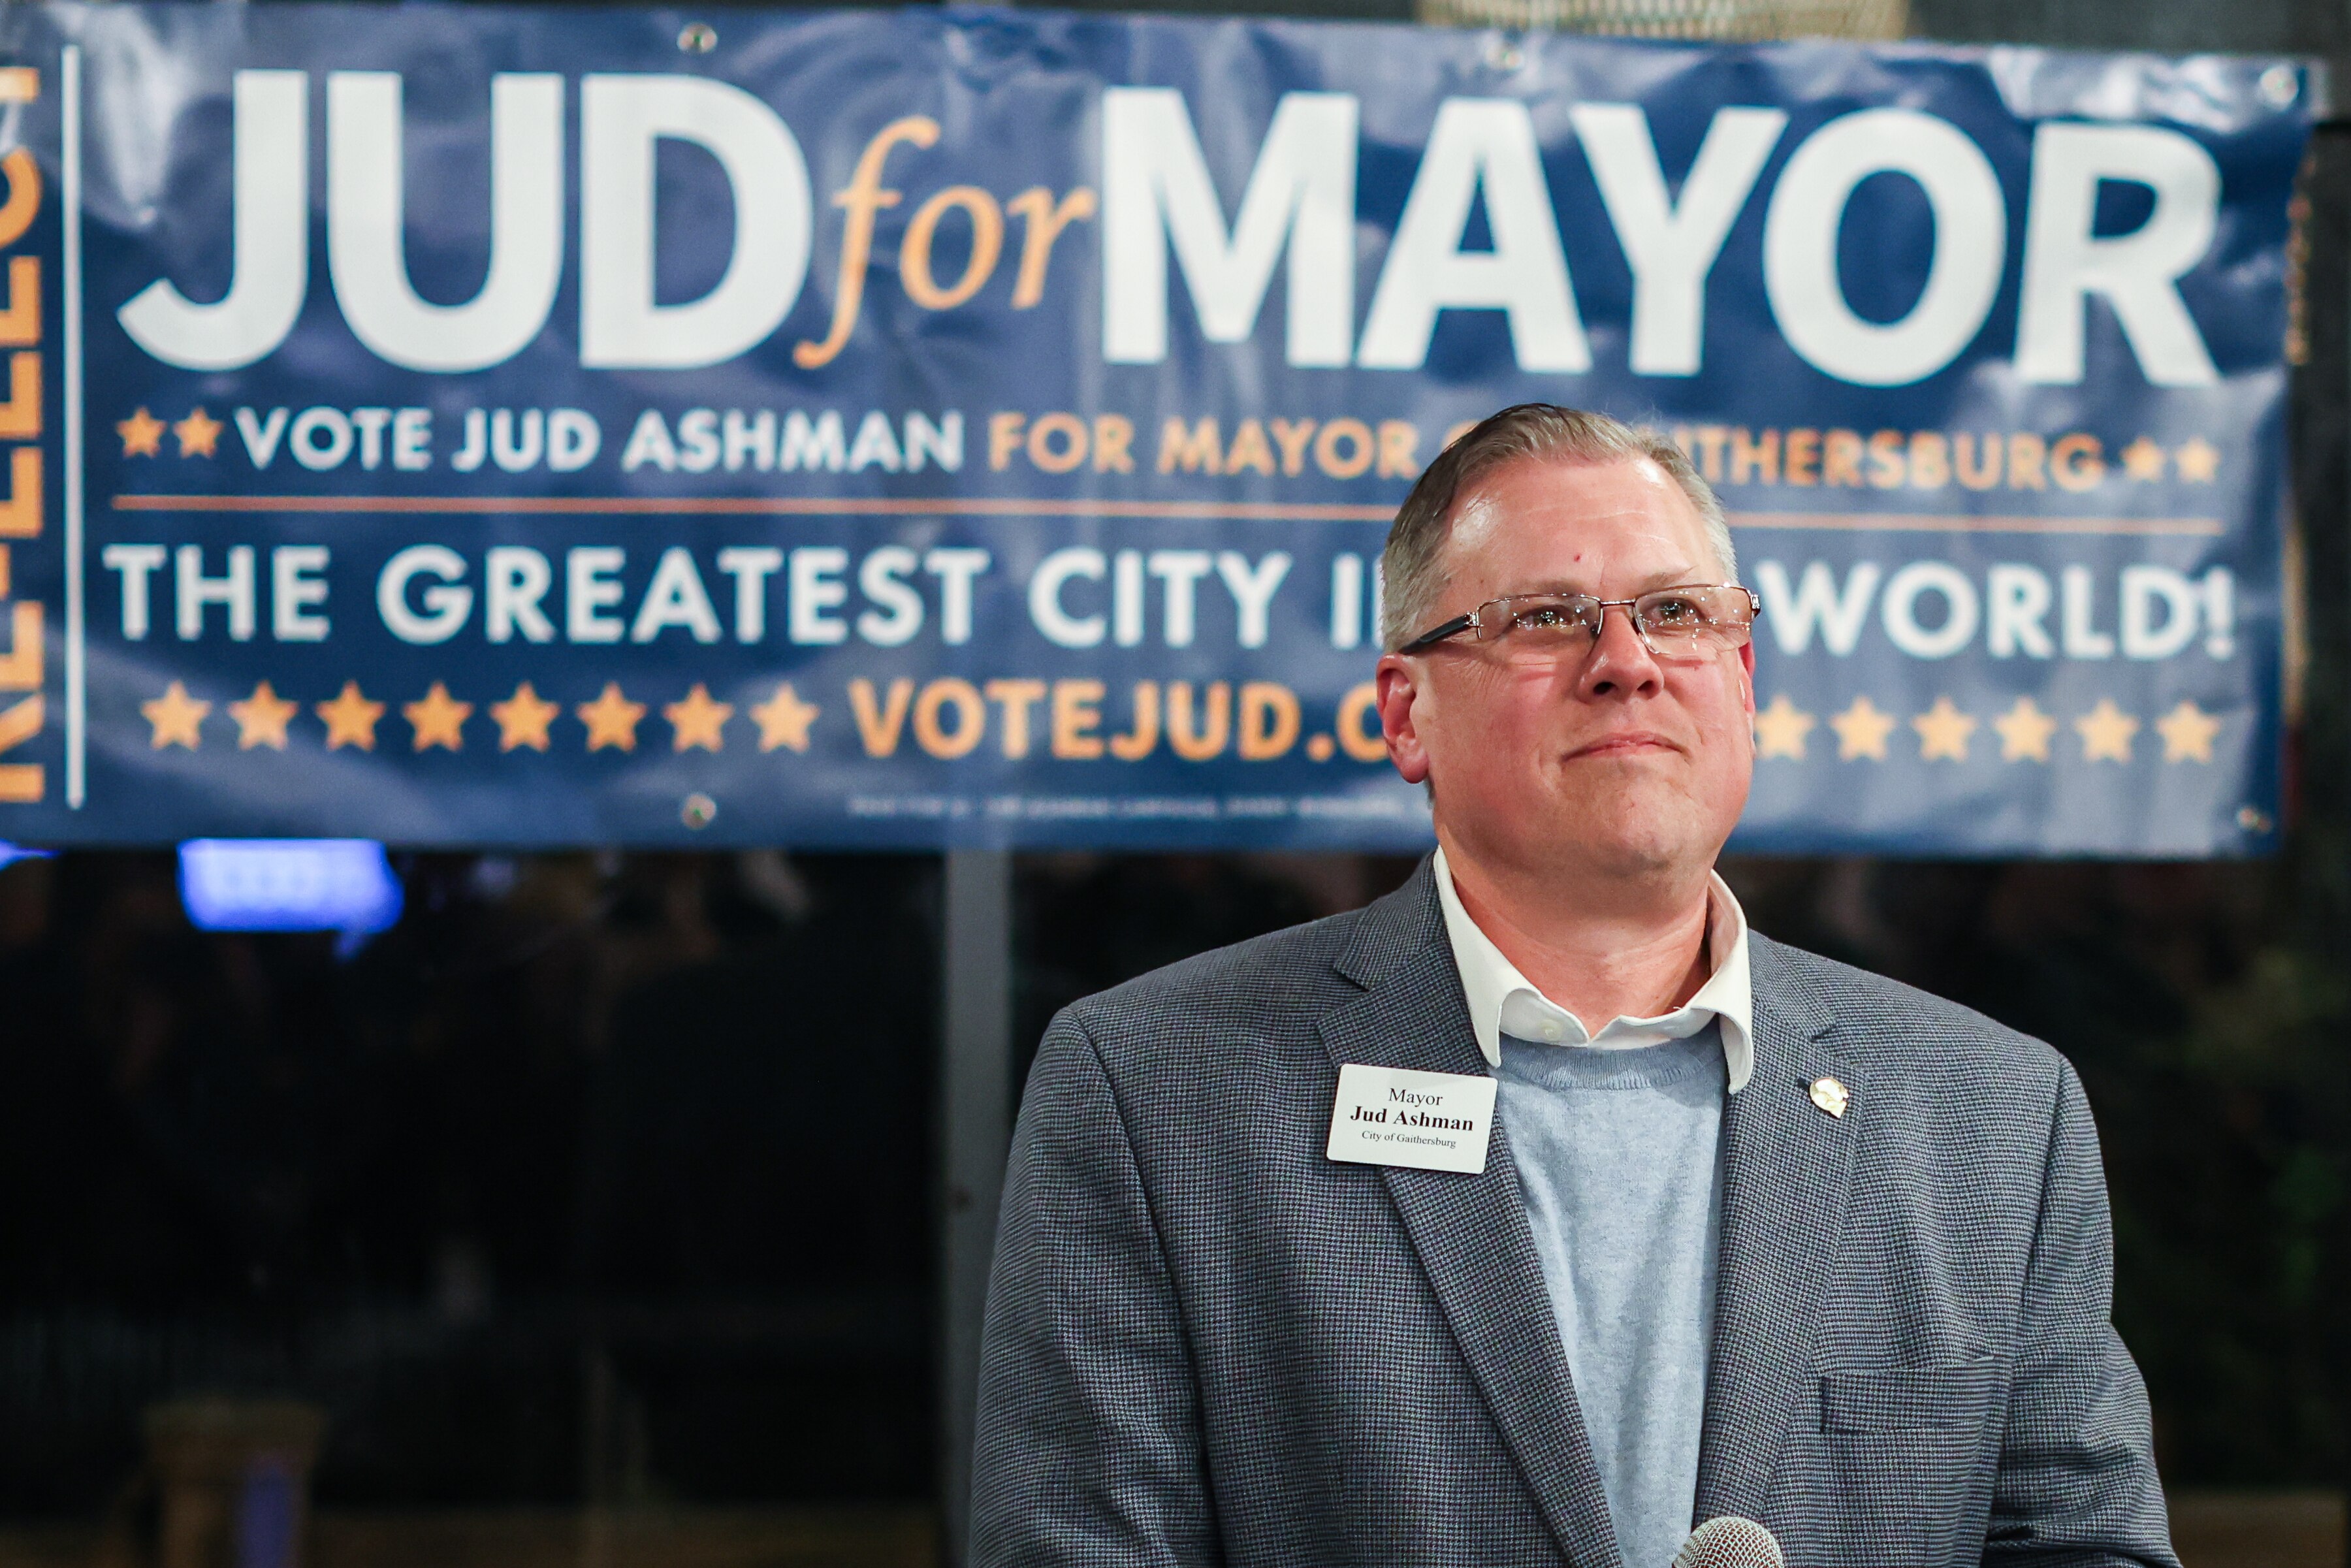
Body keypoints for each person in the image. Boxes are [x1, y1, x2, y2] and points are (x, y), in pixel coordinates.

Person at [970, 404, 2175, 1568]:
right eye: (1547, 617)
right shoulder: (1156, 1092)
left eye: (1675, 613)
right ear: (1407, 713)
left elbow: (2082, 1547)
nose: (1627, 663)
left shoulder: (1994, 1115)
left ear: (1742, 684)